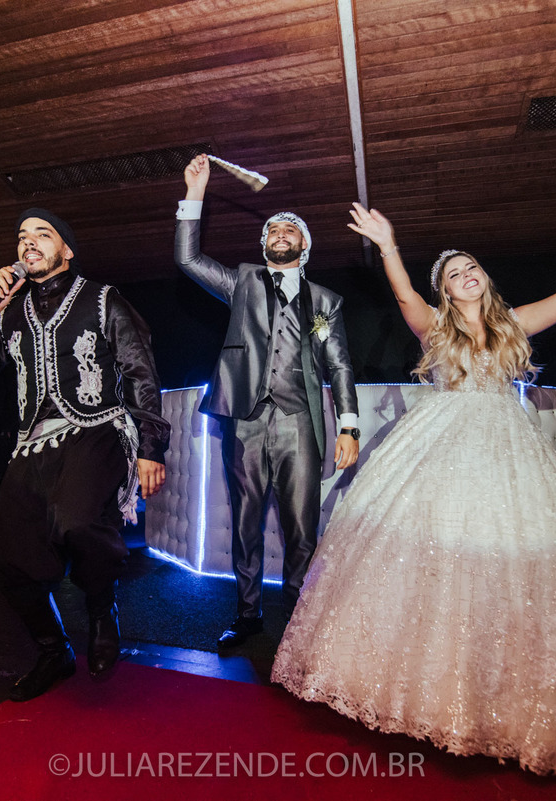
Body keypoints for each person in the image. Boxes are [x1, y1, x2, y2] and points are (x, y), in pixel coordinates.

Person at [271, 193, 556, 775]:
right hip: (440, 449)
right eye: (454, 274)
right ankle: (431, 695)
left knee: (521, 567)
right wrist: (388, 247)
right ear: (445, 292)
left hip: (510, 452)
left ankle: (508, 698)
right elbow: (403, 296)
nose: (466, 275)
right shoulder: (435, 329)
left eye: (472, 267)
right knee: (436, 564)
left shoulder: (514, 325)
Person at [0, 208, 170, 701]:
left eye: (42, 234)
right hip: (32, 443)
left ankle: (101, 607)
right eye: (22, 236)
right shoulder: (8, 311)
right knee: (9, 560)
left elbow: (141, 371)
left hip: (97, 428)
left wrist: (151, 446)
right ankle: (53, 651)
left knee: (78, 522)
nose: (29, 242)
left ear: (66, 250)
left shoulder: (104, 299)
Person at [175, 154, 360, 648]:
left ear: (304, 245)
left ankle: (297, 620)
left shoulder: (326, 301)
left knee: (302, 528)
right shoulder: (242, 281)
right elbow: (188, 259)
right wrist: (195, 193)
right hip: (245, 419)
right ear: (263, 244)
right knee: (245, 522)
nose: (280, 233)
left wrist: (349, 425)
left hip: (299, 421)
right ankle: (247, 614)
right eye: (272, 229)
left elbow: (340, 364)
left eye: (290, 229)